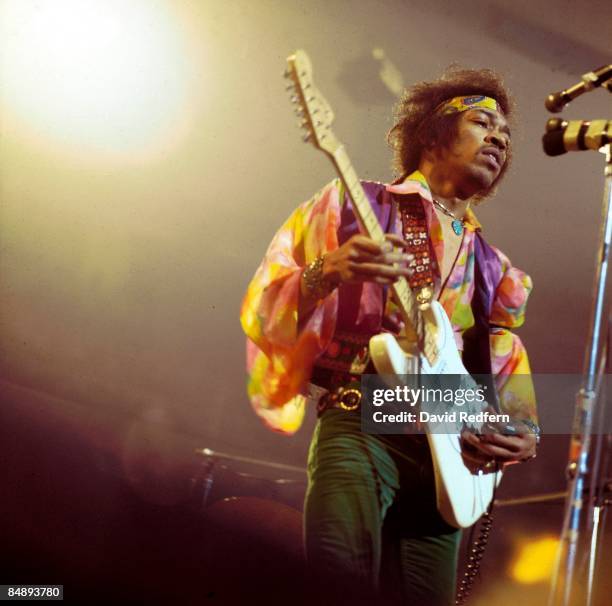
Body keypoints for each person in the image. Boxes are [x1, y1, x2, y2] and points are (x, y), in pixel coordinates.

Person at [240, 68, 539, 605]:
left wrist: (520, 432)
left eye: (506, 133)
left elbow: (501, 370)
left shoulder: (493, 267)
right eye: (481, 122)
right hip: (363, 421)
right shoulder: (359, 206)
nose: (498, 137)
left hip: (448, 461)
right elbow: (265, 306)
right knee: (339, 587)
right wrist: (326, 269)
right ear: (431, 135)